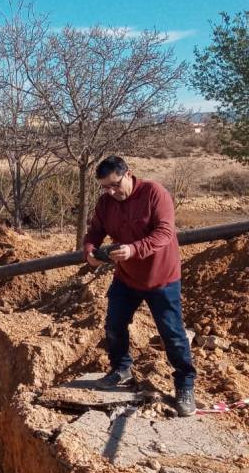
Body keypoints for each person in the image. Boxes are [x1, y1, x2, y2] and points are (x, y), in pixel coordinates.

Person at [84, 155, 196, 417]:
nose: (110, 192)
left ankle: (185, 385)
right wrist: (89, 250)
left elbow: (165, 232)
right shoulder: (105, 203)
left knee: (172, 334)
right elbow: (95, 231)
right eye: (104, 187)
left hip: (162, 278)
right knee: (114, 324)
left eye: (114, 185)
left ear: (127, 174)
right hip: (126, 278)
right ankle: (121, 368)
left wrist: (134, 249)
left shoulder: (154, 194)